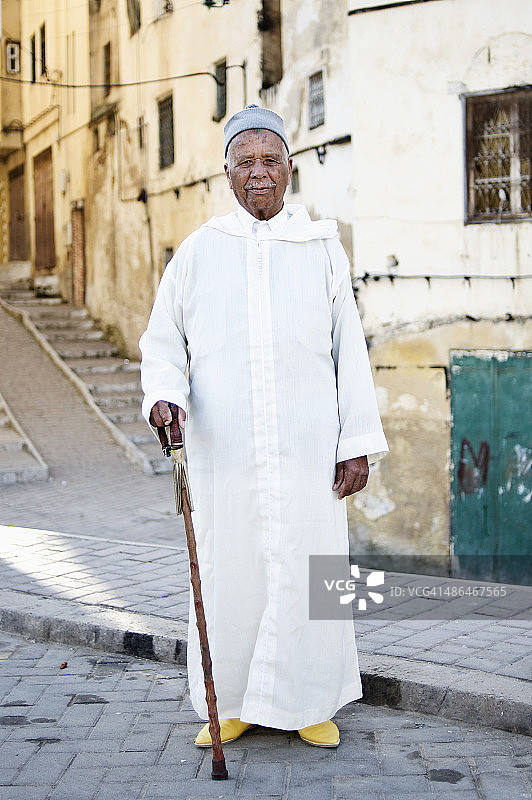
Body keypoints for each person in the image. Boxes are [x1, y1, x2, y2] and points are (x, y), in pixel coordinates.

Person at [139, 104, 388, 749]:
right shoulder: (198, 253)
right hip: (228, 454)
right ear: (228, 173)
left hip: (309, 451)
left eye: (270, 161)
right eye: (244, 162)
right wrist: (165, 396)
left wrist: (356, 443)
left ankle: (312, 701)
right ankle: (231, 703)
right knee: (230, 576)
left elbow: (349, 350)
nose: (258, 173)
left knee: (316, 572)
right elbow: (163, 340)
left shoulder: (322, 248)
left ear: (290, 171)